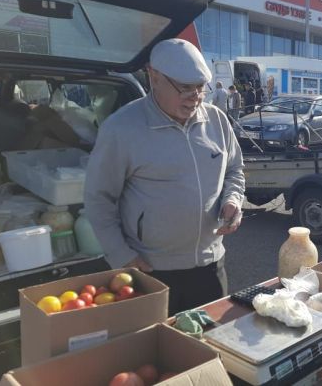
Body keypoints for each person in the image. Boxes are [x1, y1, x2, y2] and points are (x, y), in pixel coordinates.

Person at [85, 39, 245, 316]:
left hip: (210, 268)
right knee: (158, 354)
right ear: (154, 77)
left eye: (200, 86)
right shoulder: (122, 129)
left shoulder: (217, 121)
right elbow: (99, 198)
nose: (195, 95)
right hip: (151, 272)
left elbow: (234, 170)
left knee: (209, 348)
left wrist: (233, 199)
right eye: (185, 87)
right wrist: (121, 255)